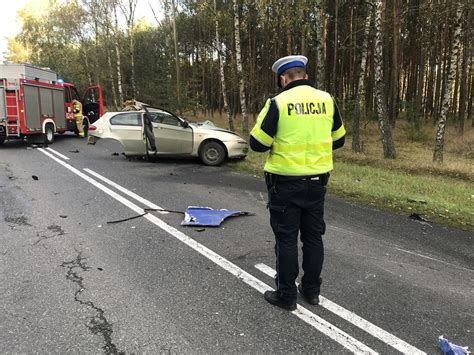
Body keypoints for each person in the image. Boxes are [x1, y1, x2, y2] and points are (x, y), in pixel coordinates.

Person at [250, 55, 346, 311]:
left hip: (285, 183)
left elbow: (257, 144)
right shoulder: (327, 100)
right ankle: (312, 291)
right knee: (314, 238)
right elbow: (339, 140)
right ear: (305, 74)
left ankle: (287, 295)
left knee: (286, 239)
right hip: (317, 183)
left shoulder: (278, 103)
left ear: (283, 78)